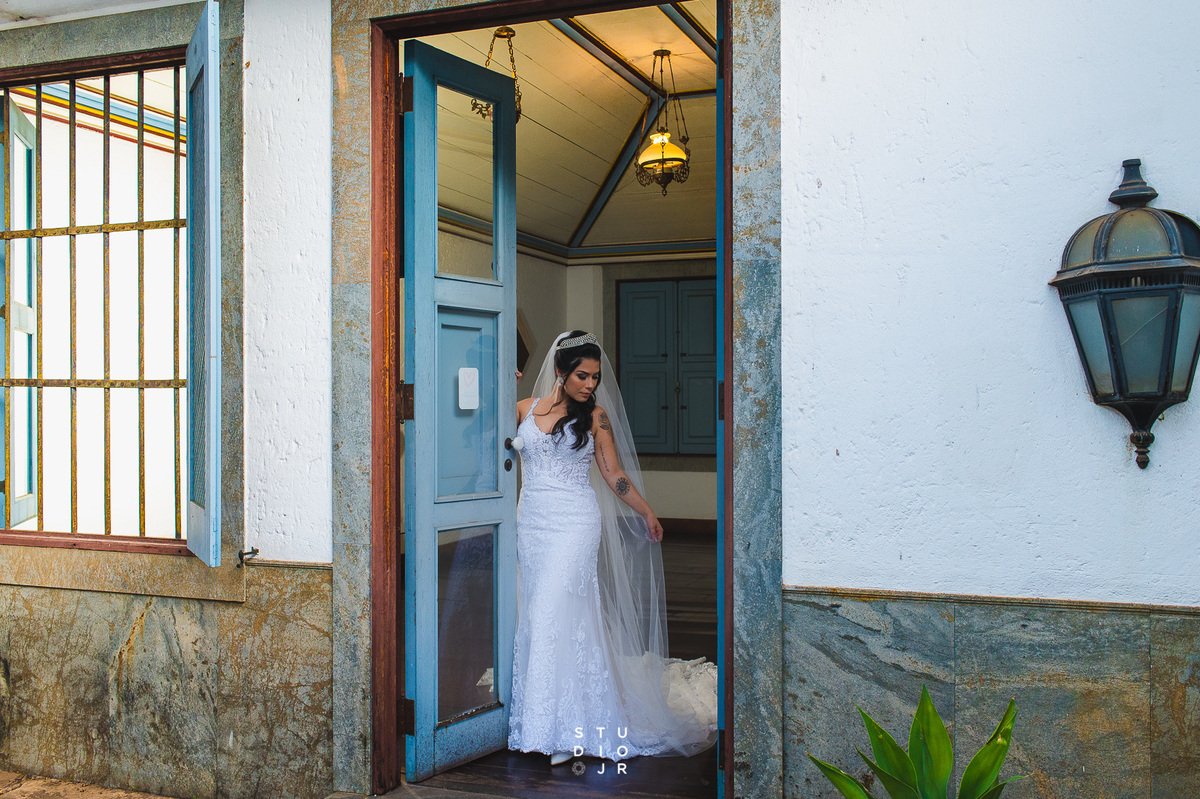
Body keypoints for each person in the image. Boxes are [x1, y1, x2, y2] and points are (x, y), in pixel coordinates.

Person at [507, 330, 717, 766]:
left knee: (553, 609)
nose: (590, 384)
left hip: (575, 525)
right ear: (560, 372)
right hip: (533, 525)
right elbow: (476, 434)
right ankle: (541, 723)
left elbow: (614, 474)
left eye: (595, 377)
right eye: (582, 376)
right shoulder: (524, 409)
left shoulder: (596, 418)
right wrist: (500, 386)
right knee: (540, 614)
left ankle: (569, 730)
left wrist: (647, 511)